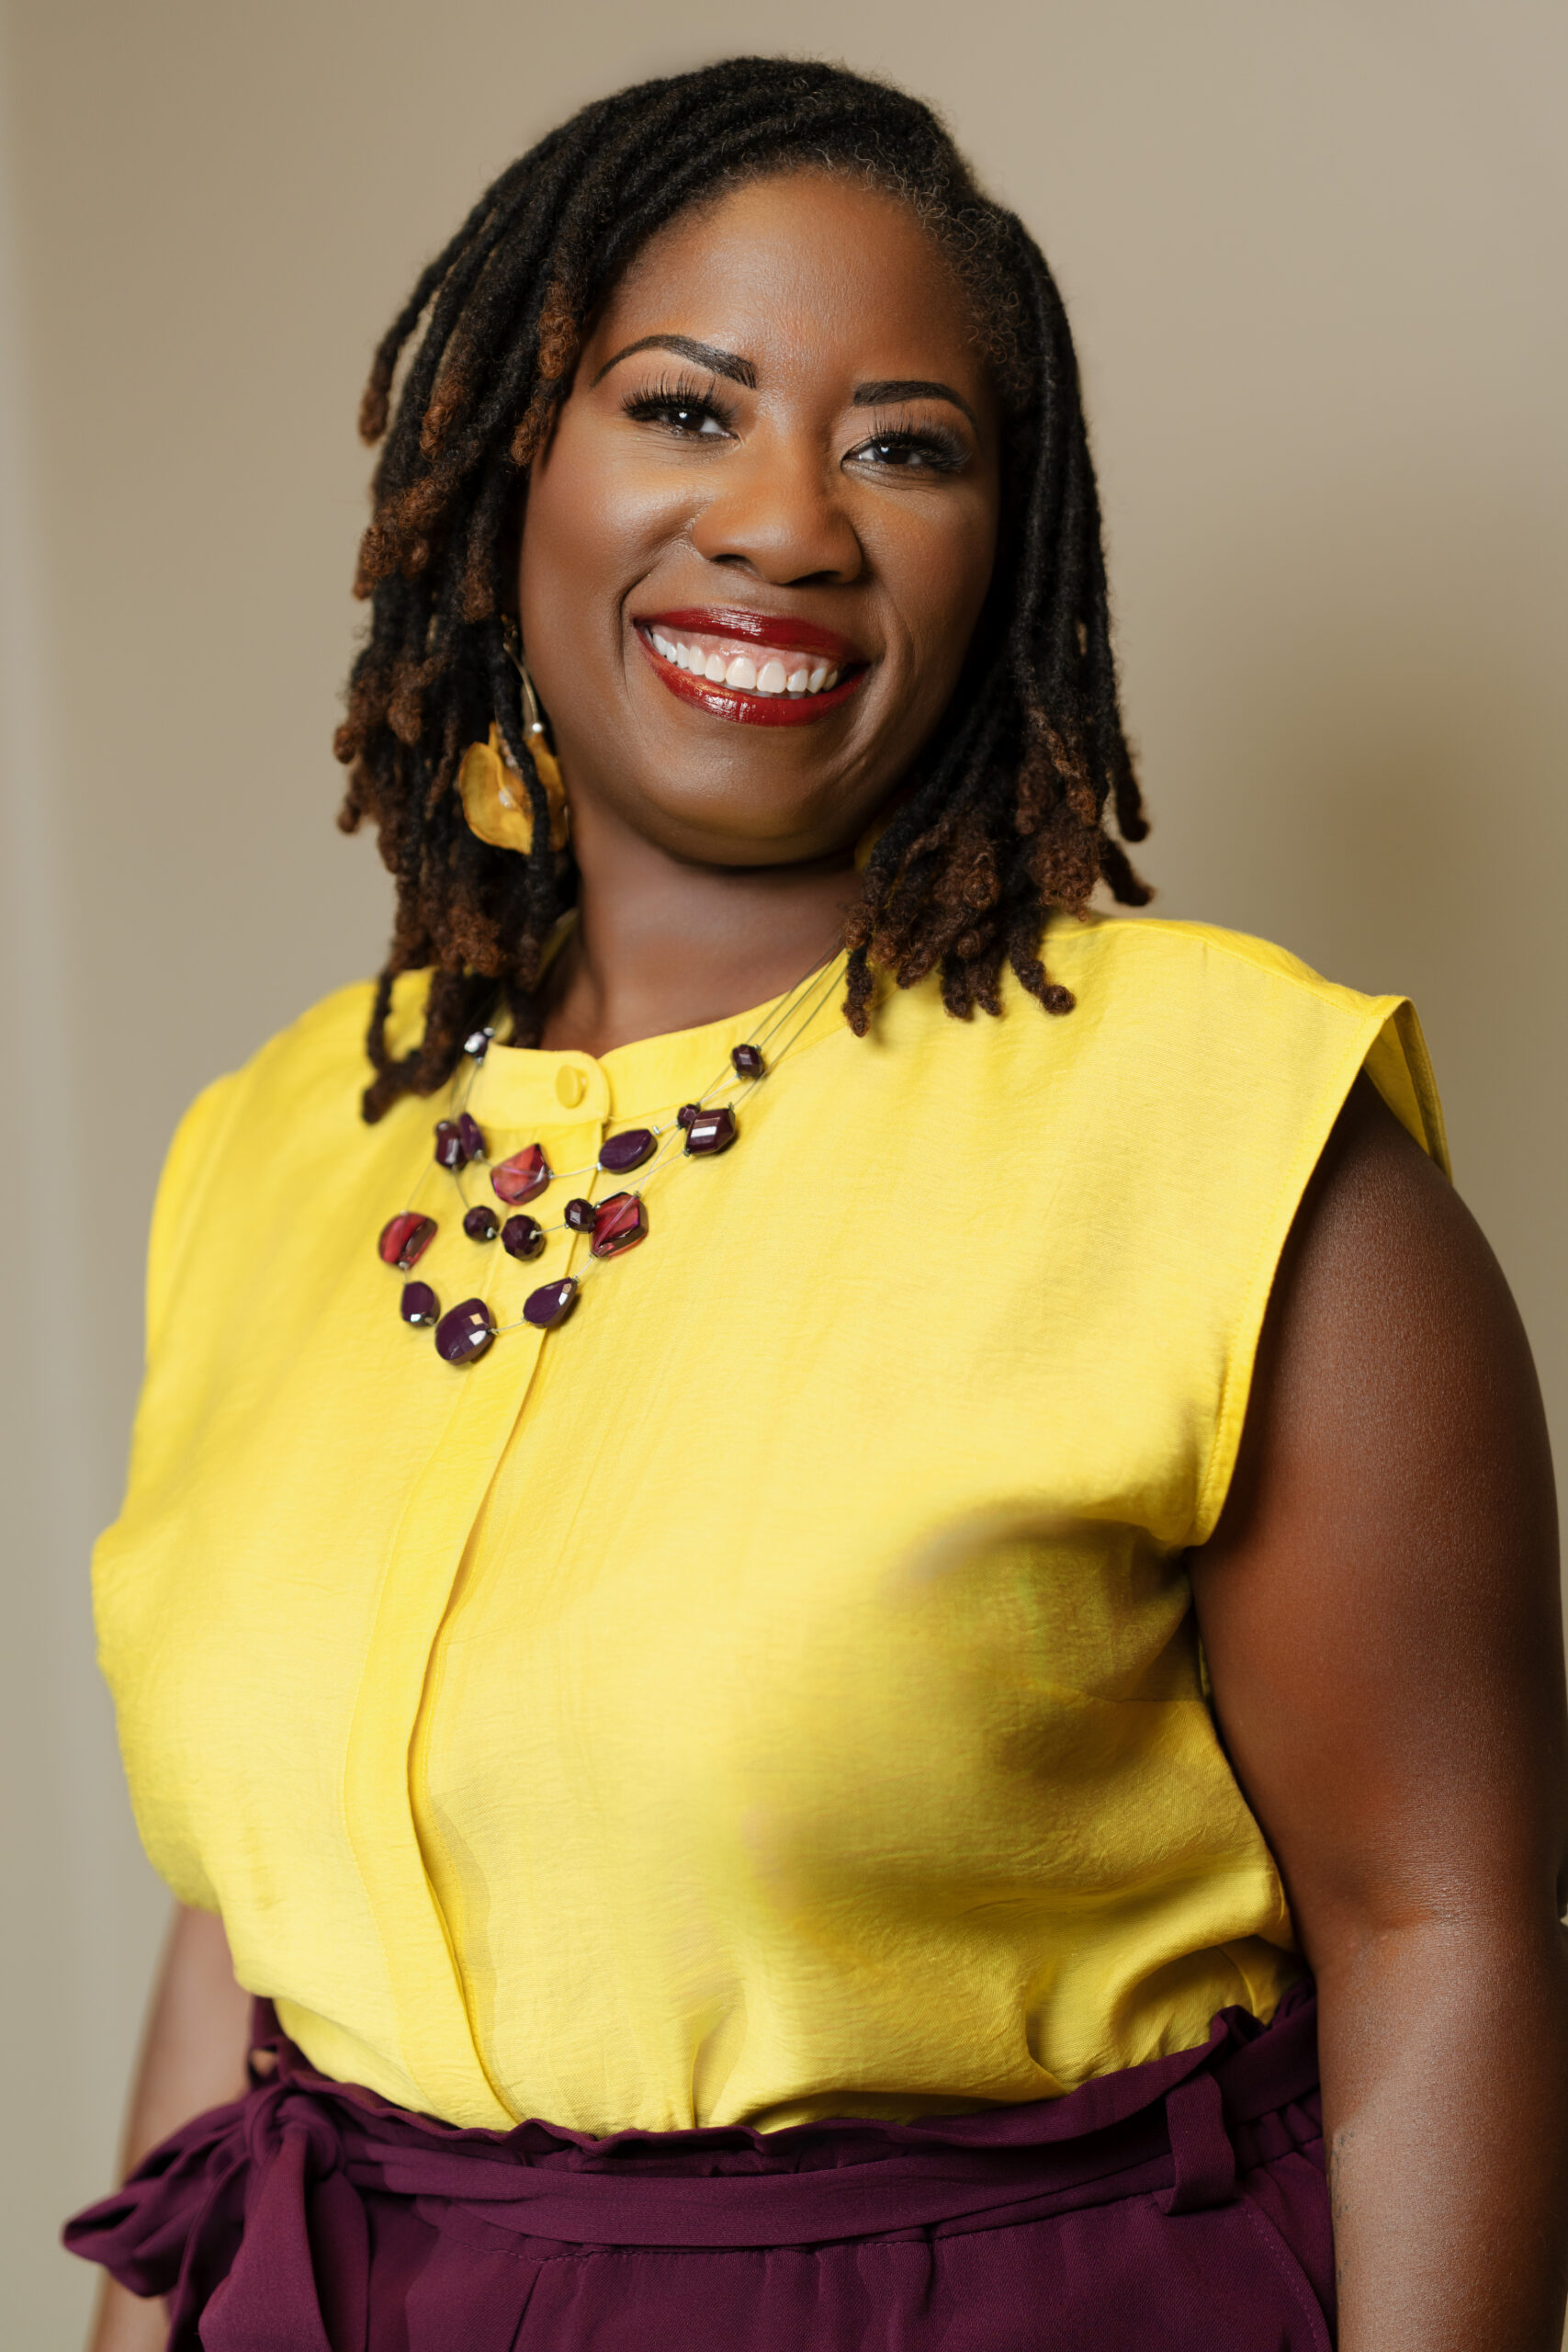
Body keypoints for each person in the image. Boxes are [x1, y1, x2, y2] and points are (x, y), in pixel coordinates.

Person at [68, 55, 1568, 2352]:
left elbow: (1435, 1923)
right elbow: (242, 1942)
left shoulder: (1229, 1132)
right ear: (505, 467)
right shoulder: (269, 1148)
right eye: (685, 407)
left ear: (1004, 544)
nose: (786, 522)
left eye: (902, 447)